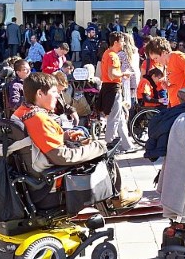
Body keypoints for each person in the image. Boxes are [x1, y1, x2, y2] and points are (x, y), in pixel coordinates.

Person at [13, 73, 142, 204]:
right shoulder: (38, 119)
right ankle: (117, 197)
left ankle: (116, 192)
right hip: (49, 175)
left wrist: (65, 136)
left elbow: (39, 139)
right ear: (40, 94)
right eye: (54, 91)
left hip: (37, 166)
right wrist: (98, 146)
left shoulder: (22, 111)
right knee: (104, 151)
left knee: (86, 143)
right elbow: (62, 156)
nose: (58, 95)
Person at [99, 31, 137, 152]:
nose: (124, 43)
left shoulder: (107, 53)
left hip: (108, 87)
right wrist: (124, 73)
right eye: (122, 41)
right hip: (113, 88)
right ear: (116, 42)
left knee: (119, 118)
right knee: (114, 119)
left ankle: (127, 146)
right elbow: (112, 75)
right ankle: (109, 146)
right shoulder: (113, 56)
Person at [144, 36, 185, 107]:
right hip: (175, 106)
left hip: (183, 106)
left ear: (164, 53)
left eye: (156, 58)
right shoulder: (167, 64)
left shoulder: (177, 57)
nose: (155, 61)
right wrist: (167, 86)